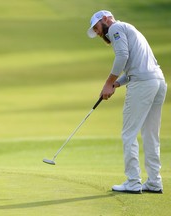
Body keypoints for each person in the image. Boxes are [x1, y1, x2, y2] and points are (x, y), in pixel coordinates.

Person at [87, 10, 167, 194]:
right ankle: (154, 182)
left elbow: (122, 56)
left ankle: (133, 182)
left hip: (144, 84)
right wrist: (117, 83)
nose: (98, 33)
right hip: (157, 81)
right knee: (150, 135)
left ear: (105, 19)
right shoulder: (130, 29)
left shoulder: (115, 28)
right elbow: (135, 66)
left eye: (97, 28)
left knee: (129, 134)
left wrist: (107, 83)